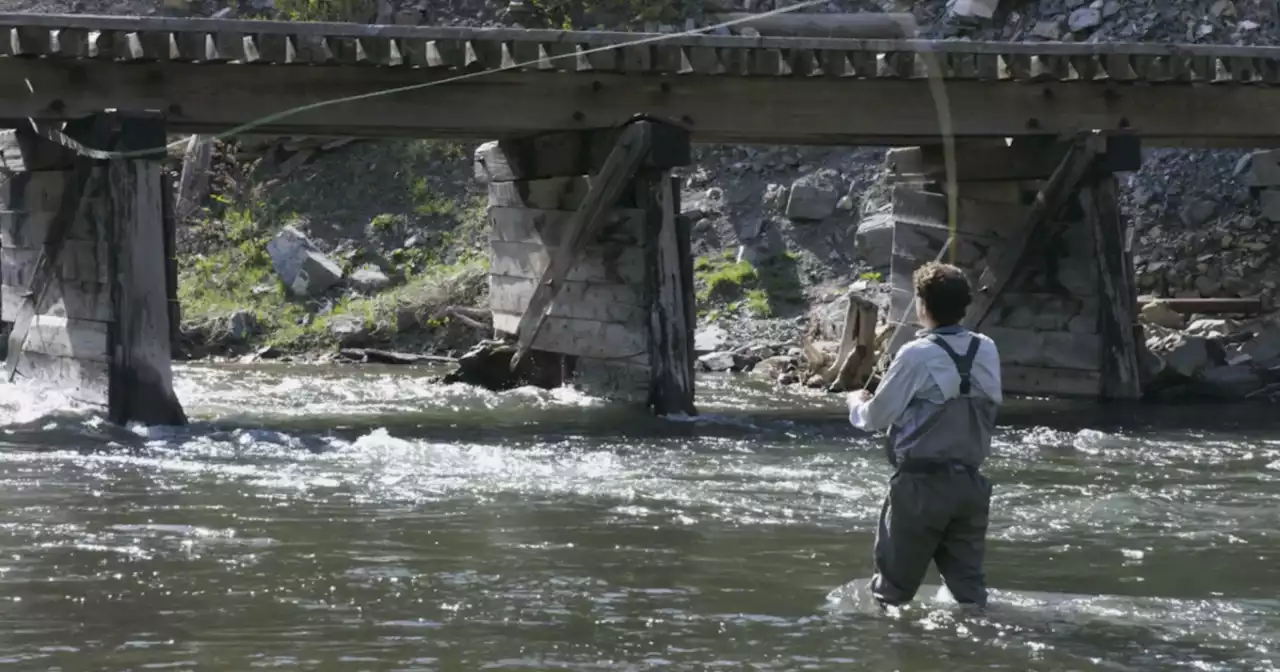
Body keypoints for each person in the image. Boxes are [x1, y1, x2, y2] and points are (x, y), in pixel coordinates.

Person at [847, 261, 1002, 609]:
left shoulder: (916, 354)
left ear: (921, 304)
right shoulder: (987, 348)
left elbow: (875, 418)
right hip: (971, 488)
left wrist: (855, 402)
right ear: (965, 306)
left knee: (892, 594)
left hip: (920, 489)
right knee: (970, 596)